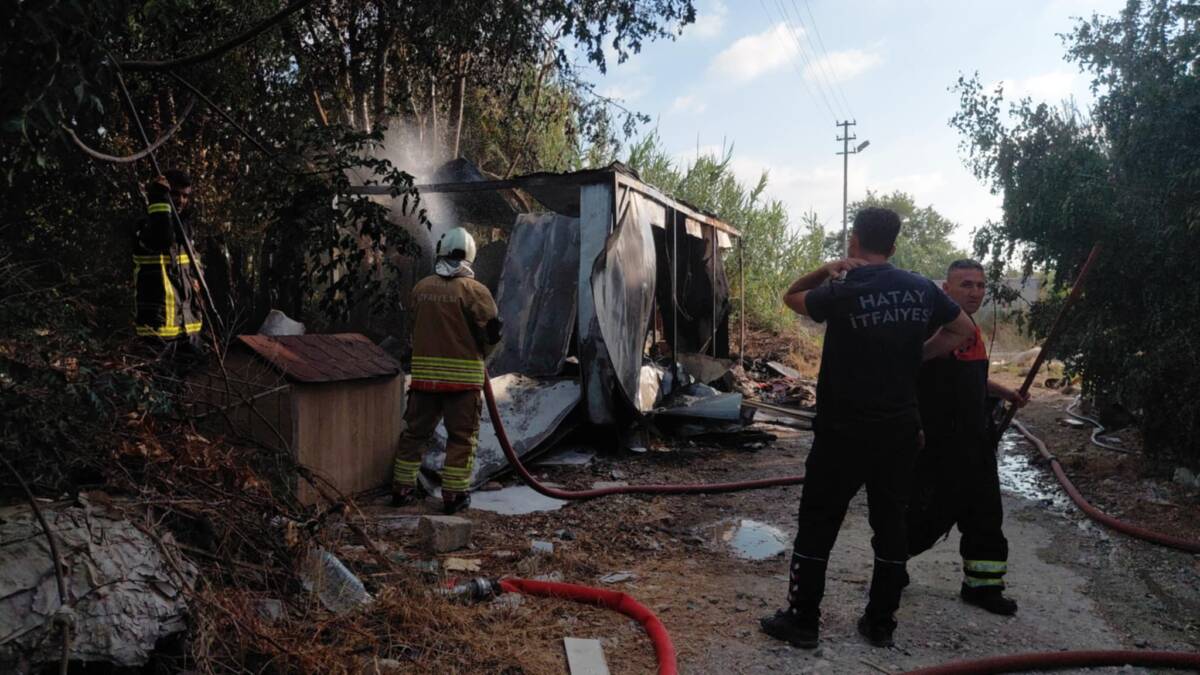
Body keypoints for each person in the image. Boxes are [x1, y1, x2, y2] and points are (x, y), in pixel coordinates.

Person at [761, 207, 975, 649]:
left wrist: (827, 268)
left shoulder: (844, 286)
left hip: (841, 432)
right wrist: (919, 353)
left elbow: (792, 297)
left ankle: (802, 620)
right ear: (894, 247)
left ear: (854, 242)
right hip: (898, 432)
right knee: (891, 524)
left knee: (819, 522)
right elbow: (963, 330)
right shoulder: (920, 288)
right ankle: (880, 623)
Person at [906, 259, 1028, 614]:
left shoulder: (969, 327)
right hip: (938, 443)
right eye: (966, 285)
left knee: (985, 515)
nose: (975, 291)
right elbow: (910, 377)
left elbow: (970, 378)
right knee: (925, 515)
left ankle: (983, 587)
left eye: (979, 285)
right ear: (946, 289)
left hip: (976, 442)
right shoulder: (934, 327)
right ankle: (891, 564)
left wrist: (1006, 393)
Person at [392, 227, 502, 514]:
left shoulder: (421, 288)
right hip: (462, 385)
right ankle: (453, 496)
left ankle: (402, 488)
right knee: (461, 439)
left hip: (424, 381)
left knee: (415, 434)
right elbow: (492, 335)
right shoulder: (475, 291)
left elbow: (412, 330)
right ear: (470, 255)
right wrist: (482, 357)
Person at [133, 169, 206, 353]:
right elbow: (162, 239)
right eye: (175, 194)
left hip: (188, 327)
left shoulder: (186, 229)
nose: (181, 200)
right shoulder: (145, 224)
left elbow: (194, 266)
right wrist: (158, 200)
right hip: (157, 328)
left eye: (185, 196)